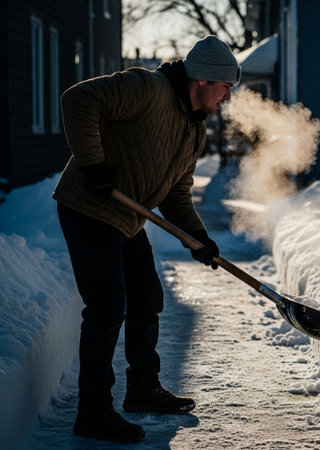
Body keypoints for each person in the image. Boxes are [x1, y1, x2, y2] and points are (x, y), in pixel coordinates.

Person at [53, 35, 241, 443]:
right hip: (89, 207)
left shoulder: (195, 133)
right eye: (226, 87)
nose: (228, 96)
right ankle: (93, 411)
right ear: (205, 80)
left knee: (146, 299)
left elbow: (176, 193)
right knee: (106, 306)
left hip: (126, 218)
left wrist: (197, 236)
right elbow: (78, 101)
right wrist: (93, 165)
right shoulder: (146, 88)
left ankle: (143, 390)